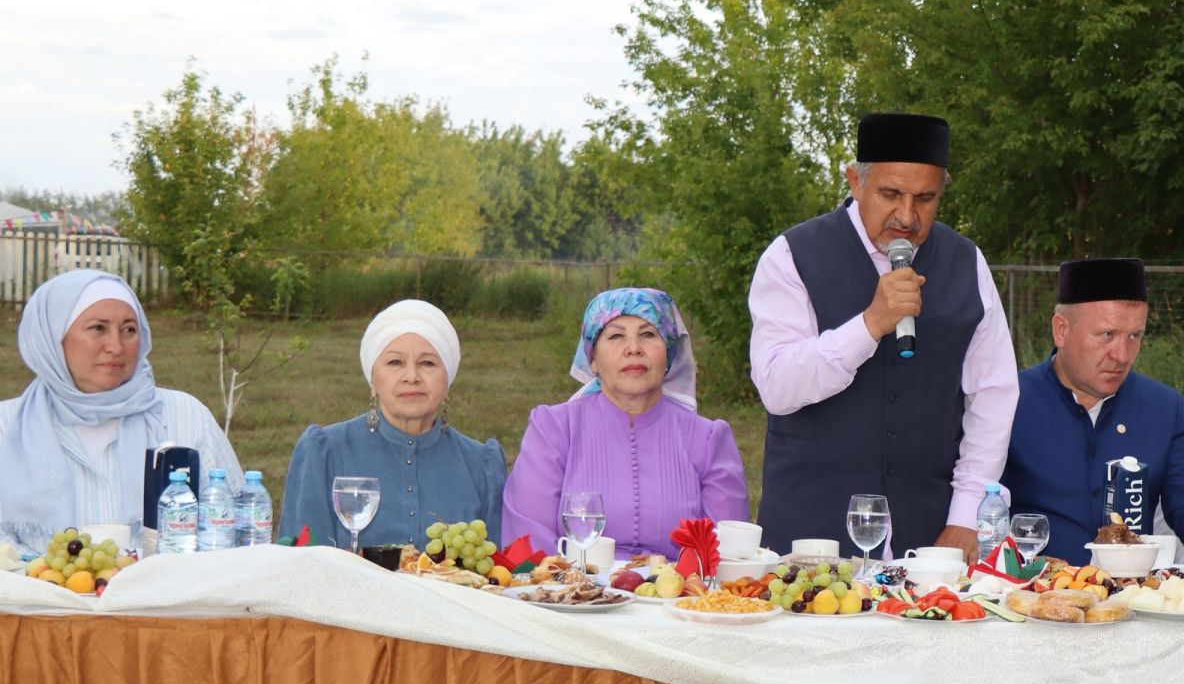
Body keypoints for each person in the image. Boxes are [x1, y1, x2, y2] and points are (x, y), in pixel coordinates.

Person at [748, 111, 1017, 557]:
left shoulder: (966, 262)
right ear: (855, 182)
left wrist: (966, 515)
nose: (907, 215)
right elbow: (777, 387)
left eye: (925, 198)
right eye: (891, 194)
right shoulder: (792, 255)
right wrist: (870, 325)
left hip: (930, 540)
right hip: (811, 536)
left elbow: (993, 395)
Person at [503, 287, 748, 560]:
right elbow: (527, 545)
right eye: (616, 336)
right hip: (569, 597)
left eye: (647, 334)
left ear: (668, 354)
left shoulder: (708, 438)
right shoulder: (553, 429)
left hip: (679, 597)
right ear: (592, 359)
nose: (633, 349)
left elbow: (729, 556)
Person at [997, 257, 1184, 558]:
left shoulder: (1163, 408)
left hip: (1131, 595)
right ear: (1061, 330)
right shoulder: (1008, 402)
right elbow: (982, 508)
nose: (1122, 356)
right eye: (1107, 335)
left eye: (1134, 336)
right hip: (1033, 594)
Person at [0, 269, 240, 535]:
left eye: (129, 330)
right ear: (52, 339)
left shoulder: (185, 416)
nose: (115, 346)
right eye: (97, 328)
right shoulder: (7, 427)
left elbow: (237, 525)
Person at [280, 299, 506, 548]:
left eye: (427, 363)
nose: (411, 377)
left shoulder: (481, 463)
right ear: (373, 381)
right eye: (395, 362)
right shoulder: (324, 452)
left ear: (448, 380)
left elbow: (498, 572)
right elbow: (300, 566)